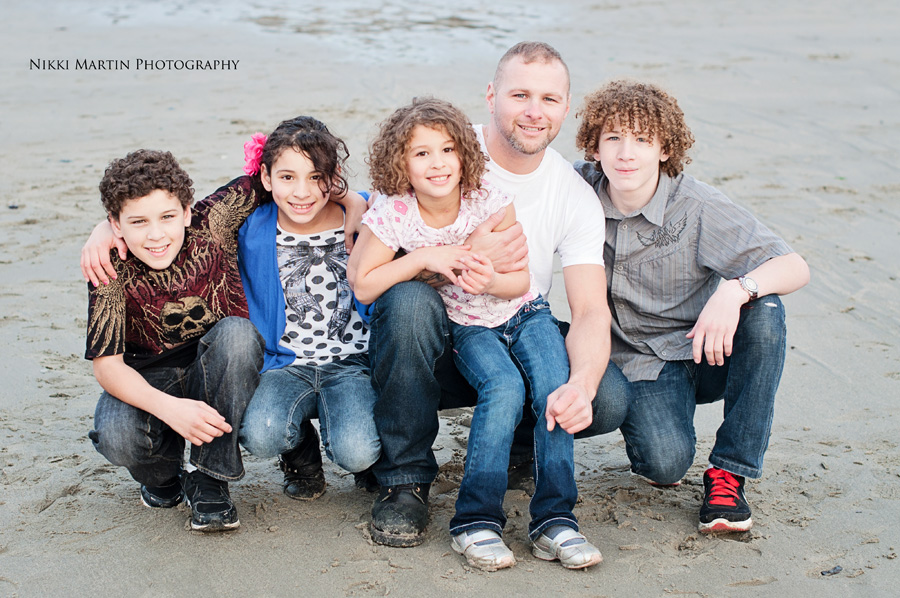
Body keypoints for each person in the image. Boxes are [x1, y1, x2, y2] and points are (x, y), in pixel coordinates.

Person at [362, 41, 627, 560]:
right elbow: (375, 255)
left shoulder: (569, 194)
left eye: (549, 99)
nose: (534, 111)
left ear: (565, 108)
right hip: (435, 342)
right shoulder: (449, 151)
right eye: (520, 94)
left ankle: (550, 512)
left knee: (600, 395)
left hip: (520, 315)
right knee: (416, 305)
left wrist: (582, 384)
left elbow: (589, 308)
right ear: (490, 96)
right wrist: (454, 258)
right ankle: (407, 479)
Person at [573, 80, 810, 533]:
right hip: (641, 364)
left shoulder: (698, 206)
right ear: (594, 146)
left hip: (706, 349)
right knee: (664, 465)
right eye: (614, 138)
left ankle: (730, 472)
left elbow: (794, 265)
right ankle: (643, 426)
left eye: (642, 140)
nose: (626, 153)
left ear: (664, 149)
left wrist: (734, 290)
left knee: (765, 312)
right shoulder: (576, 189)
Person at [85, 149, 265, 532]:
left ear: (186, 210)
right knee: (116, 435)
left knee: (238, 334)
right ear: (116, 225)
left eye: (167, 217)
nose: (155, 234)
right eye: (138, 222)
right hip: (149, 376)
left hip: (214, 362)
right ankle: (164, 478)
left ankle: (210, 478)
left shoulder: (213, 221)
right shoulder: (108, 266)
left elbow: (277, 176)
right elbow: (107, 366)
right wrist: (169, 409)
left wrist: (350, 199)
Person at [237, 116, 380, 500]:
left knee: (357, 451)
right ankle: (301, 455)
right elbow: (189, 222)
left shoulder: (368, 218)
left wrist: (356, 201)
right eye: (287, 177)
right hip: (286, 362)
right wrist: (105, 230)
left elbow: (407, 199)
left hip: (351, 361)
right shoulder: (251, 228)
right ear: (266, 178)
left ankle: (369, 461)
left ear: (333, 178)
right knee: (260, 434)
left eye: (315, 177)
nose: (302, 192)